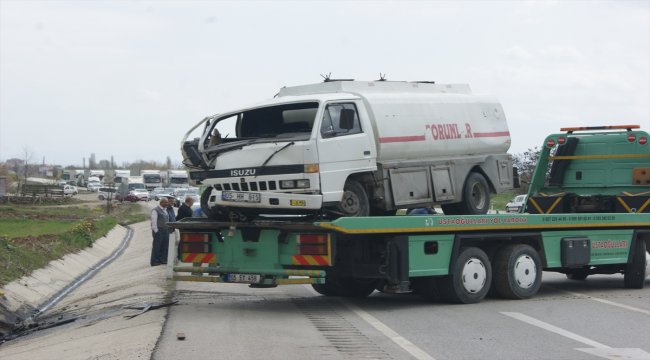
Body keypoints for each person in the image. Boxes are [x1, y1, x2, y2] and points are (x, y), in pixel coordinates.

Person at [150, 197, 169, 266]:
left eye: (167, 202)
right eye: (166, 202)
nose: (167, 203)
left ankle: (162, 259)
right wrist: (156, 231)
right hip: (159, 231)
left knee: (164, 246)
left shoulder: (165, 210)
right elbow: (154, 222)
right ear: (161, 203)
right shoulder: (155, 210)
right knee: (157, 246)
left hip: (165, 231)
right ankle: (154, 261)